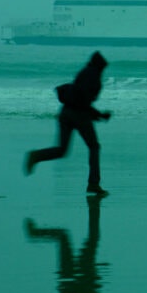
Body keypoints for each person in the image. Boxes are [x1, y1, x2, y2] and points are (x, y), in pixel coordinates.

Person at [25, 51, 112, 196]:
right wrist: (99, 115)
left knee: (62, 150)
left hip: (65, 113)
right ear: (100, 66)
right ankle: (93, 184)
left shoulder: (84, 72)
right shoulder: (93, 75)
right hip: (79, 115)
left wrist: (97, 114)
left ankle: (36, 156)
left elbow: (79, 96)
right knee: (94, 147)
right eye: (103, 67)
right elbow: (83, 100)